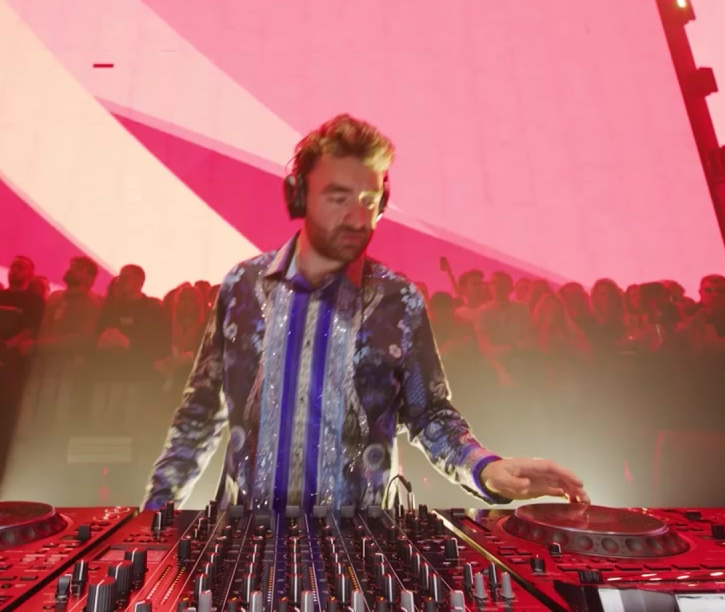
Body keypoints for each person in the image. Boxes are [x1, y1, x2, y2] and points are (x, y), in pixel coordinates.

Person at [144, 113, 588, 512]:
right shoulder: (242, 287)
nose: (358, 218)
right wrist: (154, 518)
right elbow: (199, 413)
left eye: (369, 201)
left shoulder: (399, 301)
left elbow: (429, 414)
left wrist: (484, 468)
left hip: (361, 548)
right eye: (338, 198)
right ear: (299, 196)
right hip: (248, 544)